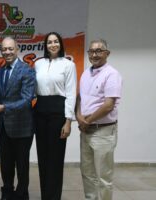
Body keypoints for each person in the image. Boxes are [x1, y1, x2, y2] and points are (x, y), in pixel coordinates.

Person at [0, 37, 36, 200]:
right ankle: (7, 193)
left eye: (10, 49)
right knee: (6, 164)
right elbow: (0, 97)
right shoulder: (0, 71)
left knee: (22, 165)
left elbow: (27, 99)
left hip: (23, 126)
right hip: (4, 126)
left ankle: (22, 195)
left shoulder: (27, 70)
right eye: (4, 49)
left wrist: (4, 108)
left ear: (17, 49)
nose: (7, 52)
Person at [76, 39, 122, 200]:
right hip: (86, 131)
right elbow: (80, 98)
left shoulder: (112, 74)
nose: (94, 54)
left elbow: (108, 105)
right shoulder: (86, 73)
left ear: (107, 53)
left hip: (103, 131)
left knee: (104, 177)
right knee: (87, 173)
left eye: (99, 51)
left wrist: (86, 121)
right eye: (91, 51)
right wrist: (79, 116)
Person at [34, 32, 77, 200]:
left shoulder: (68, 65)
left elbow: (71, 93)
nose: (52, 44)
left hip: (58, 113)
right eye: (49, 42)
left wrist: (68, 121)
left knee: (55, 159)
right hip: (40, 111)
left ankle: (54, 197)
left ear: (60, 44)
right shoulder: (38, 64)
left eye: (56, 41)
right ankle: (45, 195)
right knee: (42, 157)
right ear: (45, 45)